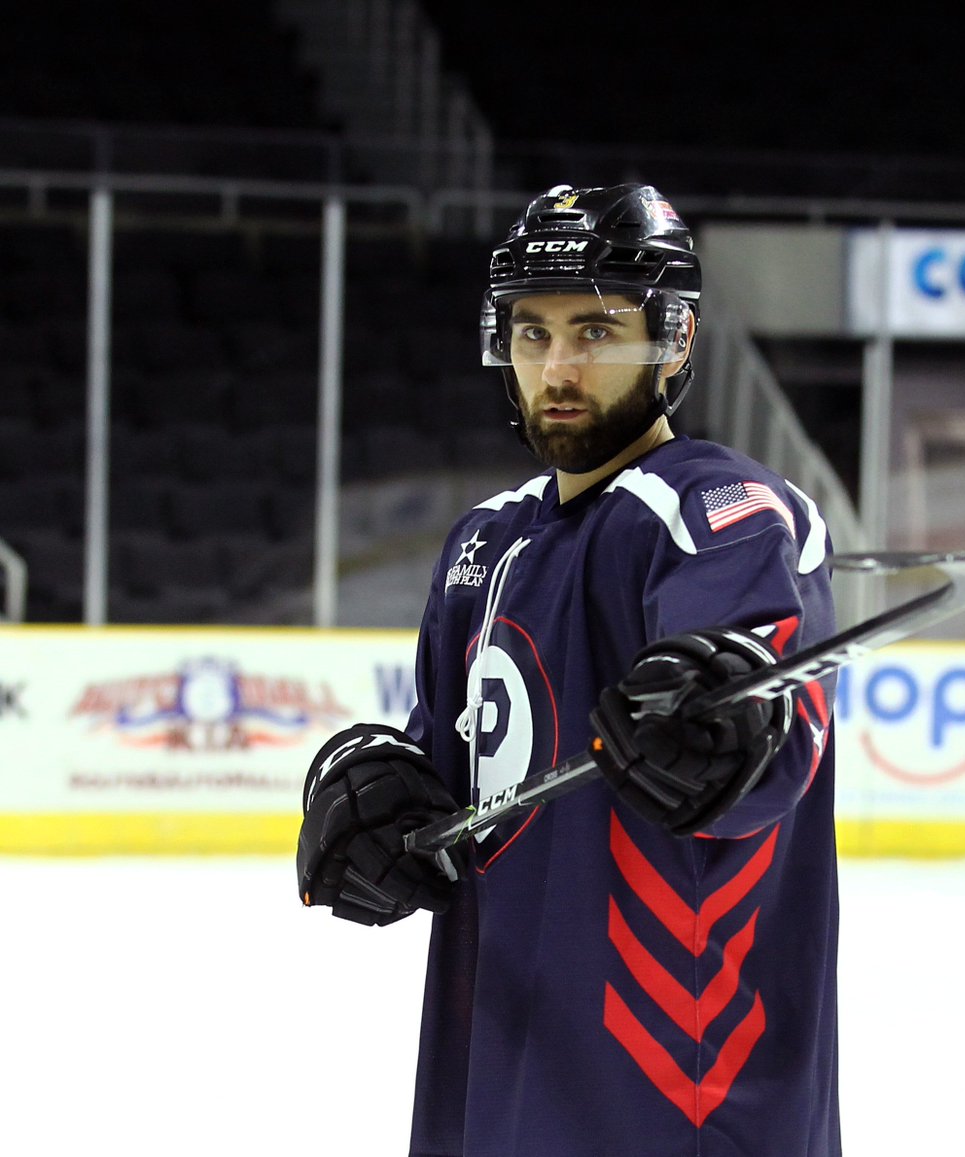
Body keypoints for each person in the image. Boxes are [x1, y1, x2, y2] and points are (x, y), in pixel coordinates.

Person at [297, 183, 841, 1157]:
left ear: (673, 341)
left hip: (678, 1096)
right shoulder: (484, 543)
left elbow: (766, 718)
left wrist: (724, 720)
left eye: (596, 329)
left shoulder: (720, 504)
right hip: (492, 1074)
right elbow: (447, 779)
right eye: (532, 332)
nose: (559, 365)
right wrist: (377, 809)